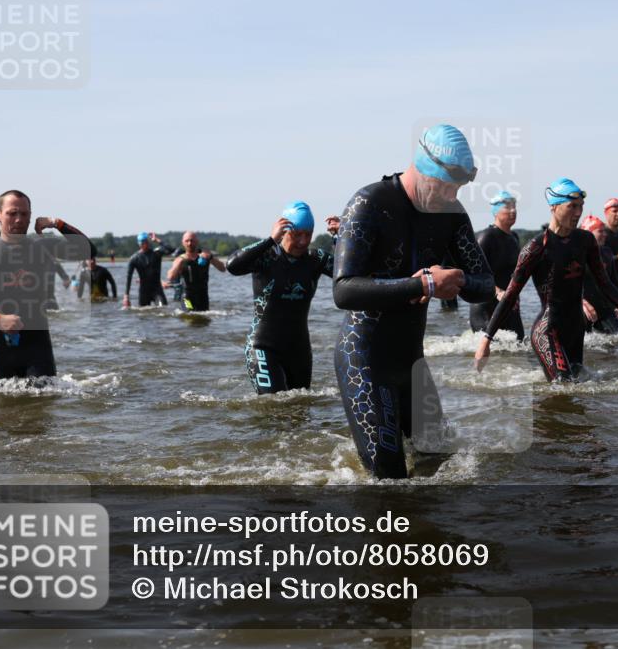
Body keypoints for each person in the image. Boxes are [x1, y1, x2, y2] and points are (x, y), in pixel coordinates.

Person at [333, 123, 494, 479]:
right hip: (365, 359)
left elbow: (485, 285)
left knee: (442, 466)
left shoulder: (451, 212)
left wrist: (458, 279)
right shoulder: (370, 203)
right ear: (424, 168)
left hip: (411, 364)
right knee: (389, 484)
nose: (453, 195)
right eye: (448, 184)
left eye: (460, 187)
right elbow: (343, 290)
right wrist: (420, 284)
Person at [475, 178, 618, 382]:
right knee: (563, 386)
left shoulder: (585, 241)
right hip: (547, 330)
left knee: (577, 392)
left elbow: (604, 283)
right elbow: (511, 295)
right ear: (554, 206)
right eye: (572, 207)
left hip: (576, 329)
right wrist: (486, 339)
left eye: (581, 207)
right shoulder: (536, 248)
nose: (578, 213)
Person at [0, 190, 95, 384]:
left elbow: (89, 250)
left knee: (44, 406)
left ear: (31, 215)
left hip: (38, 345)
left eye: (24, 214)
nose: (19, 220)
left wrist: (57, 223)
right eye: (12, 213)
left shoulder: (43, 246)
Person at [227, 202, 338, 393]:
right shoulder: (267, 255)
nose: (303, 241)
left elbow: (352, 272)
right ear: (284, 230)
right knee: (274, 407)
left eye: (308, 234)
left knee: (300, 413)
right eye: (297, 234)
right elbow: (232, 266)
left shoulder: (316, 259)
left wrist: (343, 237)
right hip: (262, 347)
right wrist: (270, 240)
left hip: (299, 350)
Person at [470, 191, 524, 340]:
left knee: (519, 346)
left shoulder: (514, 237)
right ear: (495, 211)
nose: (513, 210)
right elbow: (474, 274)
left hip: (509, 304)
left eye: (514, 206)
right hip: (485, 307)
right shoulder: (486, 237)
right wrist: (497, 291)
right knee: (492, 353)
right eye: (507, 207)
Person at [579, 215, 618, 334]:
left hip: (604, 308)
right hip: (582, 307)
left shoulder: (607, 253)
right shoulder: (577, 254)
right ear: (588, 233)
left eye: (605, 231)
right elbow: (566, 285)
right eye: (600, 231)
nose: (605, 234)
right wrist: (582, 302)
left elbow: (614, 283)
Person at [165, 231, 226, 312]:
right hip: (186, 297)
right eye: (187, 241)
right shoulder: (180, 259)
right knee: (189, 316)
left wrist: (211, 257)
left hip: (203, 297)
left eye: (192, 240)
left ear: (197, 242)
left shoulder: (205, 256)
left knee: (203, 321)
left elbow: (223, 269)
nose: (189, 243)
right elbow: (170, 276)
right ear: (183, 243)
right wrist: (178, 264)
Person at [123, 232, 174, 308]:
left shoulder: (156, 253)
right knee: (143, 315)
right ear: (138, 244)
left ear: (148, 242)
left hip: (157, 289)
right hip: (144, 291)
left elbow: (171, 250)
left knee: (163, 309)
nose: (144, 244)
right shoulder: (134, 258)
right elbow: (128, 277)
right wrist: (126, 296)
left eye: (145, 242)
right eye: (142, 242)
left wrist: (157, 240)